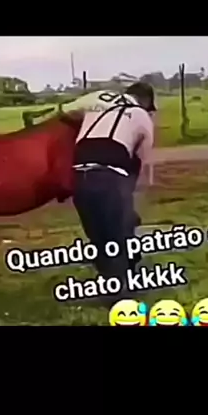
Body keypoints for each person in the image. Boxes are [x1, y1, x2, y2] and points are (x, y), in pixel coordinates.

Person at [63, 82, 156, 289]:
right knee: (118, 236)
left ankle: (109, 281)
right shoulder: (141, 115)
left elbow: (64, 112)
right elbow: (142, 162)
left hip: (79, 177)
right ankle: (122, 290)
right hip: (111, 177)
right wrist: (131, 199)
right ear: (146, 101)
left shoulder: (98, 97)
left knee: (98, 237)